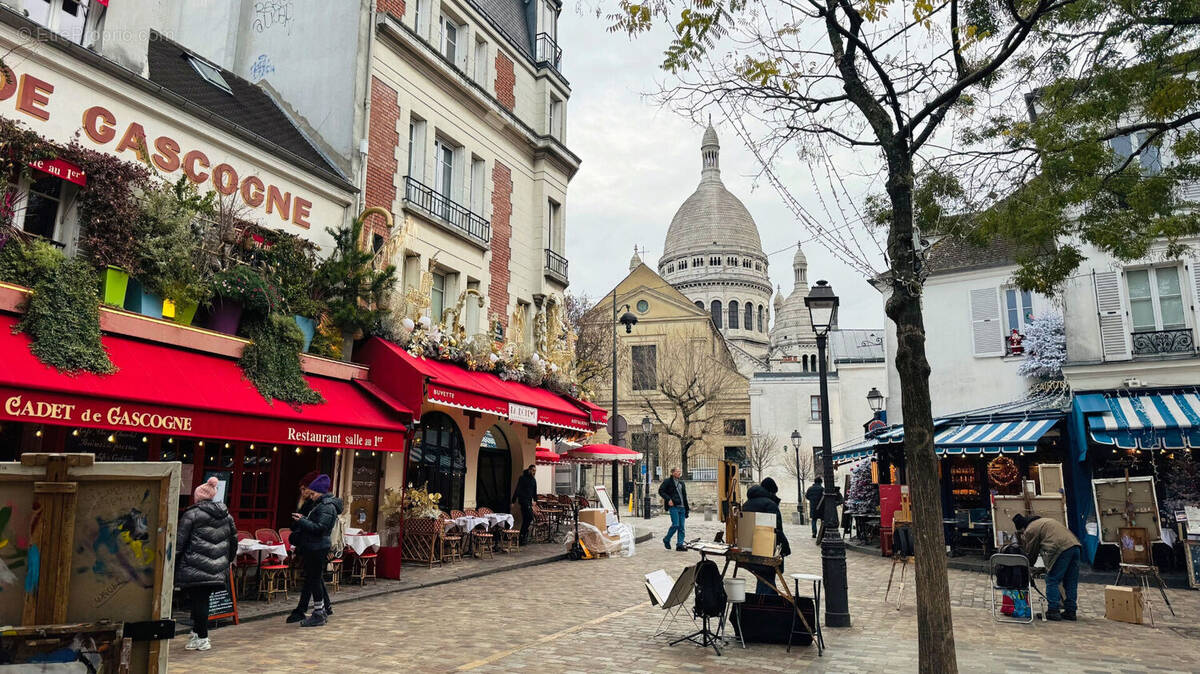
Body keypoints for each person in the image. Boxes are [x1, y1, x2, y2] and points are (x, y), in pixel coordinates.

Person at [176, 476, 237, 652]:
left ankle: (203, 638)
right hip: (217, 566)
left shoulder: (191, 514)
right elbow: (234, 542)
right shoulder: (227, 516)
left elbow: (180, 542)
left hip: (194, 565)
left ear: (198, 497)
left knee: (199, 602)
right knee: (200, 601)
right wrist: (227, 562)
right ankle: (196, 633)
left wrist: (173, 562)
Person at [288, 474, 342, 627]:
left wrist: (303, 520)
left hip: (318, 546)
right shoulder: (320, 505)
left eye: (312, 493)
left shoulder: (326, 506)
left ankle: (319, 612)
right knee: (314, 578)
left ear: (320, 492)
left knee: (315, 579)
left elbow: (320, 529)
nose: (310, 496)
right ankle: (322, 610)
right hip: (313, 545)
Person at [1013, 514, 1081, 621]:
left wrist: (1025, 566)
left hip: (1060, 549)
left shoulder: (1030, 529)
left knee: (1052, 579)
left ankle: (1053, 611)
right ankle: (1070, 611)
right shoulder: (1045, 521)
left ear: (1022, 527)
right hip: (1075, 546)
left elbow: (1031, 554)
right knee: (1070, 581)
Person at [741, 477, 792, 594]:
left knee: (763, 579)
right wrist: (786, 548)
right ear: (771, 491)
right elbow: (776, 530)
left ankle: (763, 604)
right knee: (768, 580)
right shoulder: (770, 504)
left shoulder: (747, 503)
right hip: (766, 549)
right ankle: (765, 607)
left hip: (748, 548)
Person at [658, 467, 689, 551]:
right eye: (677, 471)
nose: (679, 472)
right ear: (672, 473)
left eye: (680, 471)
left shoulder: (681, 483)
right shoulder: (668, 481)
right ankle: (667, 539)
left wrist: (687, 509)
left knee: (681, 527)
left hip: (682, 508)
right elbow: (661, 491)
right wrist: (668, 499)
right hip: (674, 507)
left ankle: (679, 545)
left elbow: (684, 496)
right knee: (676, 525)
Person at [512, 464, 538, 545]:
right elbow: (517, 489)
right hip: (523, 501)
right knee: (529, 517)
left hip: (529, 501)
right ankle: (523, 534)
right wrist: (513, 501)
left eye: (535, 471)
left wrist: (536, 501)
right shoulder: (522, 478)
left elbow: (534, 491)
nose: (534, 472)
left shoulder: (533, 480)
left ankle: (522, 536)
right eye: (533, 470)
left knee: (527, 519)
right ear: (529, 470)